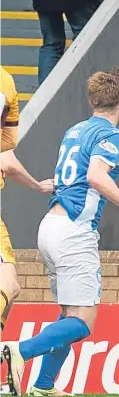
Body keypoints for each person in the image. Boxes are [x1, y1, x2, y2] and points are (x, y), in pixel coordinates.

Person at [2, 68, 119, 397]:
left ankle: (43, 385)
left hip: (51, 226)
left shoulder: (75, 131)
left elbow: (75, 175)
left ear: (91, 101)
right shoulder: (112, 135)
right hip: (74, 230)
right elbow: (97, 177)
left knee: (68, 312)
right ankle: (21, 351)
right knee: (83, 320)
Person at [0, 67, 54, 336]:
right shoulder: (5, 81)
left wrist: (36, 185)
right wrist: (37, 185)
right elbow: (6, 152)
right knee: (8, 286)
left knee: (11, 287)